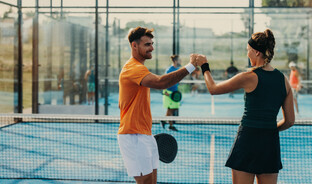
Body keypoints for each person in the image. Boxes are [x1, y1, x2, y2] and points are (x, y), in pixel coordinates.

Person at [196, 29, 294, 184]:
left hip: (247, 140)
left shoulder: (248, 77)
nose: (247, 54)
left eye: (248, 50)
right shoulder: (284, 80)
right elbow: (289, 121)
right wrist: (269, 128)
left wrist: (204, 66)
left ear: (256, 52)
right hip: (270, 144)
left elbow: (213, 89)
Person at [118, 26, 197, 184]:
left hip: (145, 134)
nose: (152, 48)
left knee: (152, 181)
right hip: (133, 136)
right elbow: (161, 83)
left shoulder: (139, 68)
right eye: (147, 44)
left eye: (152, 44)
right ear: (134, 45)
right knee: (146, 181)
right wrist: (191, 66)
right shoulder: (132, 68)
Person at [161, 55, 182, 131]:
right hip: (168, 92)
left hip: (174, 92)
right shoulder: (169, 70)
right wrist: (165, 92)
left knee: (173, 108)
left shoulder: (178, 69)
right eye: (180, 60)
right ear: (176, 61)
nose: (181, 61)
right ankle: (170, 125)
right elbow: (164, 81)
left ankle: (165, 121)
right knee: (170, 109)